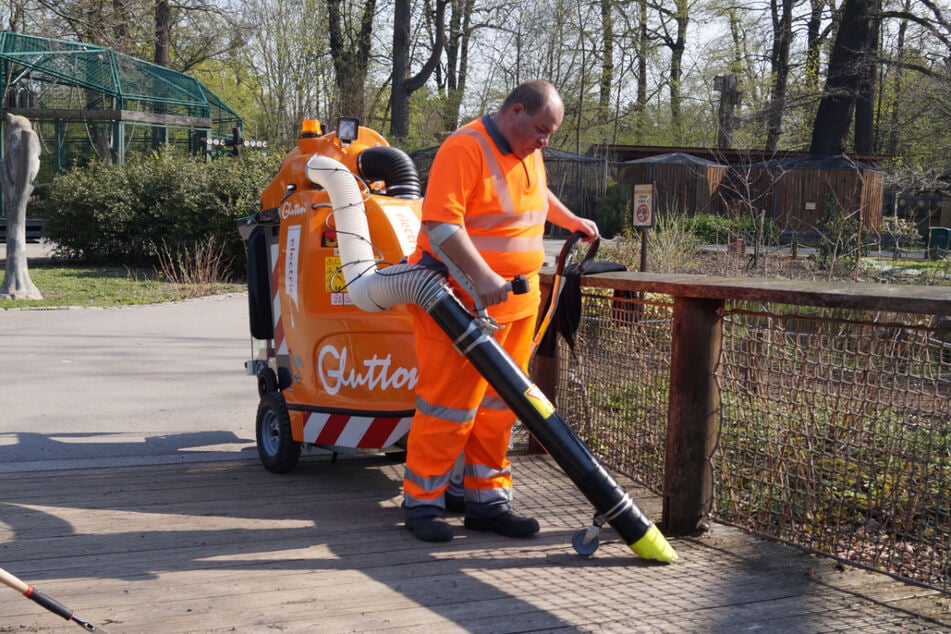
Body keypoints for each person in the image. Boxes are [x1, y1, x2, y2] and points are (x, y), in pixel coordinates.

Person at [402, 80, 600, 542]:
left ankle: (487, 502)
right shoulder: (465, 147)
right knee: (448, 405)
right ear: (515, 111)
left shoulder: (525, 147)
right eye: (541, 129)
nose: (544, 141)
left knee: (500, 406)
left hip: (517, 304)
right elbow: (440, 222)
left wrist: (569, 220)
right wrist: (483, 278)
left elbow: (534, 197)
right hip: (457, 301)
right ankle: (423, 504)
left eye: (549, 133)